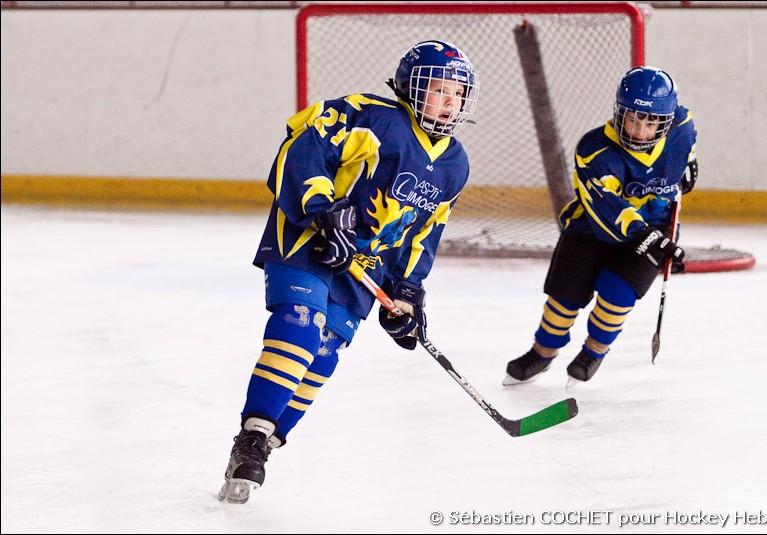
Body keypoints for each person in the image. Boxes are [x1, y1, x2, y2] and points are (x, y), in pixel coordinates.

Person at [218, 40, 479, 504]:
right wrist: (322, 210)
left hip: (365, 268)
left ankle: (269, 442)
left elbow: (425, 234)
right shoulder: (370, 116)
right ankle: (252, 436)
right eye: (438, 89)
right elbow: (301, 149)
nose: (448, 102)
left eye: (456, 94)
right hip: (306, 241)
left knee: (323, 354)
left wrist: (407, 292)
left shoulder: (455, 165)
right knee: (299, 325)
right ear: (409, 87)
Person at [504, 66, 697, 387]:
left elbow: (688, 136)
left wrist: (690, 162)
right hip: (592, 227)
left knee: (617, 295)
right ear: (619, 111)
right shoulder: (594, 149)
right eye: (633, 118)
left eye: (651, 122)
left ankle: (594, 350)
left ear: (666, 120)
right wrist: (646, 235)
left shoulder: (681, 127)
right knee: (564, 299)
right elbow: (608, 206)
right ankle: (544, 351)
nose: (640, 130)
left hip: (655, 226)